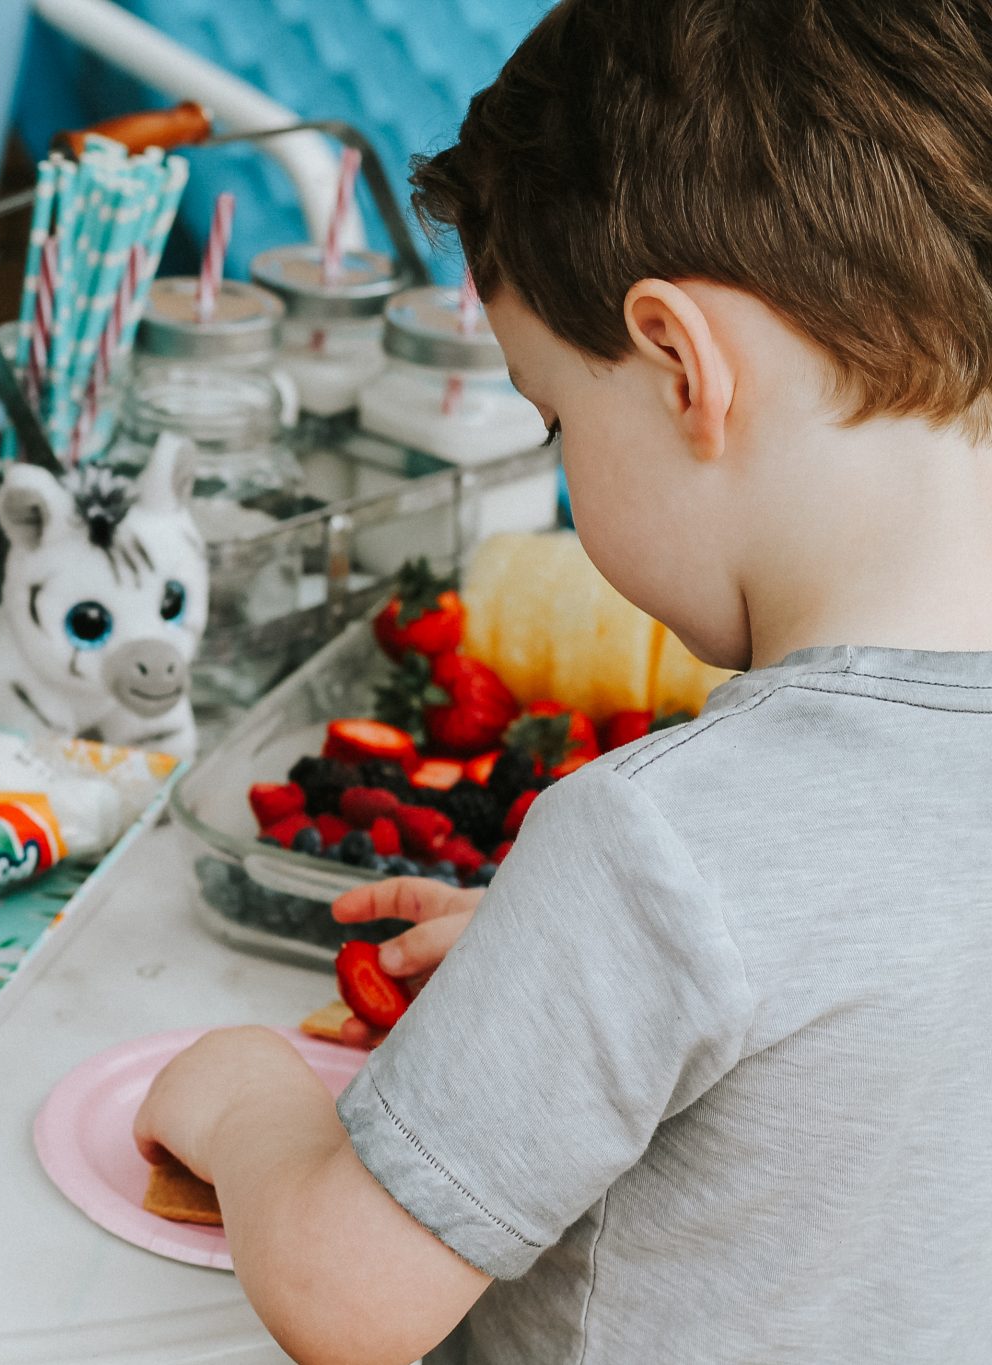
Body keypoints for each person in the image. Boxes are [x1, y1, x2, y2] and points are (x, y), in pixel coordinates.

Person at [133, 1, 992, 1360]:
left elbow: (350, 1296)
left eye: (553, 420)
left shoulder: (660, 839)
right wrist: (568, 966)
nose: (559, 471)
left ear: (678, 365)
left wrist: (247, 1108)